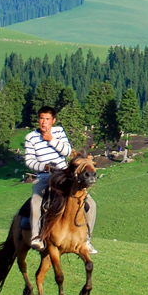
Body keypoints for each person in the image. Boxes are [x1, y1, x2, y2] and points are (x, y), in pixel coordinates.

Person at [25, 106, 97, 254]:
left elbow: (67, 151)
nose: (44, 122)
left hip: (64, 175)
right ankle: (36, 237)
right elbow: (29, 161)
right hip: (44, 177)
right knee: (36, 201)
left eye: (47, 119)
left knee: (91, 204)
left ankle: (87, 239)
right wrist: (44, 166)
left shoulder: (59, 132)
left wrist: (51, 139)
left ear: (53, 120)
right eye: (41, 119)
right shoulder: (31, 137)